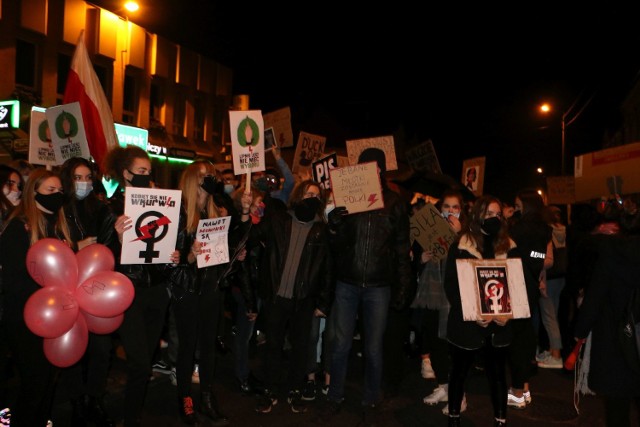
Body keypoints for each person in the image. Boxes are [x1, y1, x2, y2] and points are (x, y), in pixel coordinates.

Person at [324, 148, 412, 423]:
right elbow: (337, 248)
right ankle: (334, 396)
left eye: (374, 166)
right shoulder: (348, 199)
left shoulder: (395, 203)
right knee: (340, 345)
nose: (369, 170)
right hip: (347, 283)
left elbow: (401, 249)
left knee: (374, 348)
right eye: (363, 166)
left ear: (381, 170)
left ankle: (371, 398)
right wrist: (334, 226)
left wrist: (403, 287)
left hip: (378, 286)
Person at [167, 160, 250, 425]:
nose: (210, 179)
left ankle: (207, 396)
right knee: (187, 348)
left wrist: (234, 257)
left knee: (208, 348)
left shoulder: (217, 210)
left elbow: (223, 250)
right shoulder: (179, 215)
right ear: (193, 179)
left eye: (212, 175)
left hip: (211, 288)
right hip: (188, 290)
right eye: (205, 176)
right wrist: (190, 255)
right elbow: (173, 262)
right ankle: (185, 399)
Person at [103, 145, 177, 426]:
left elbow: (166, 241)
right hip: (128, 292)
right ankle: (130, 417)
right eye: (141, 172)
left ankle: (133, 411)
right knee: (139, 362)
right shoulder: (112, 208)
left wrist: (174, 254)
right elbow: (101, 255)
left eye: (149, 171)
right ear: (126, 174)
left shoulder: (160, 203)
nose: (147, 176)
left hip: (156, 292)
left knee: (144, 363)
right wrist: (118, 239)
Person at [247, 180, 334, 414]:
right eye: (308, 193)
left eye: (316, 195)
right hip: (277, 296)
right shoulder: (279, 220)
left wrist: (323, 303)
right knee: (273, 346)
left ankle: (295, 390)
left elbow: (327, 268)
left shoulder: (321, 229)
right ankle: (270, 390)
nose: (311, 197)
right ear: (298, 196)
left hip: (304, 299)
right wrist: (247, 213)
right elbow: (251, 236)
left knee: (300, 348)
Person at [0, 168, 72, 426]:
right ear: (34, 193)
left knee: (47, 381)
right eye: (50, 191)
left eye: (60, 191)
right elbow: (13, 280)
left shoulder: (59, 228)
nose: (57, 196)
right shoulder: (18, 228)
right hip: (23, 318)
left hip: (53, 318)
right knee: (33, 381)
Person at [444, 195, 518, 427]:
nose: (493, 218)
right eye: (488, 214)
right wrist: (474, 313)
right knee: (459, 371)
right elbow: (452, 285)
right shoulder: (462, 245)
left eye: (497, 214)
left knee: (497, 375)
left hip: (499, 324)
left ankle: (500, 419)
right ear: (477, 216)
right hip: (467, 323)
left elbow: (517, 285)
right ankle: (454, 415)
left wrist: (507, 314)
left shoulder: (510, 246)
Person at [58, 157, 117, 426]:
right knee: (71, 350)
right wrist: (76, 250)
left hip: (96, 290)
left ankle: (95, 397)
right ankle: (77, 400)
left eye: (88, 178)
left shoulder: (100, 209)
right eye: (78, 178)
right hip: (65, 290)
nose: (83, 183)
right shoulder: (58, 210)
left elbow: (108, 248)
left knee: (101, 350)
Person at [574, 234, 640, 427]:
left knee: (617, 408)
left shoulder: (611, 255)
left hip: (614, 339)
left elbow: (595, 297)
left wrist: (581, 330)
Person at [416, 190, 466, 410]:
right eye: (447, 207)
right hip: (430, 295)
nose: (451, 211)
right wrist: (421, 258)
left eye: (455, 207)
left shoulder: (467, 236)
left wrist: (456, 236)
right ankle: (444, 386)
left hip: (454, 299)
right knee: (434, 342)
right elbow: (415, 259)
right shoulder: (429, 230)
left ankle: (459, 395)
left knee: (451, 346)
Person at [506, 189, 552, 408]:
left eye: (517, 204)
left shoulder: (519, 229)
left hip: (515, 286)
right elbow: (539, 257)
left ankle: (516, 390)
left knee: (517, 338)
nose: (515, 208)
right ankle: (524, 387)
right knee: (525, 335)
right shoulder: (544, 229)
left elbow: (508, 252)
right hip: (530, 286)